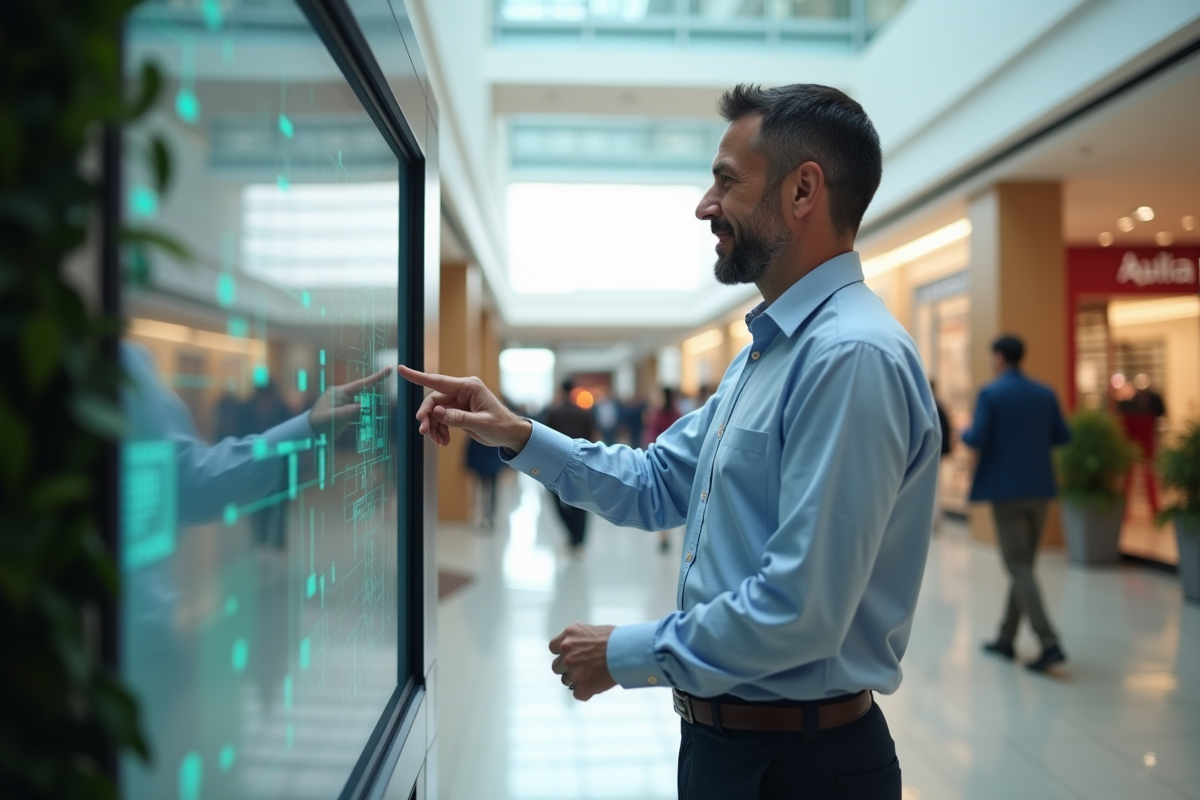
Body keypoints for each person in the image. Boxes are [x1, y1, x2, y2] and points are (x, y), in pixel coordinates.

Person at [399, 82, 941, 800]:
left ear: (803, 189)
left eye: (725, 181)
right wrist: (521, 434)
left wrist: (625, 652)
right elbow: (657, 483)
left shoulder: (849, 358)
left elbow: (801, 611)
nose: (705, 205)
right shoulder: (767, 352)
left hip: (801, 766)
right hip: (728, 746)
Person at [962, 334, 1070, 673]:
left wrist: (962, 432)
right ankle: (1006, 639)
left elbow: (977, 437)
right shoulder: (1044, 392)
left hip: (1006, 491)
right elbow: (1062, 436)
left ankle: (1049, 641)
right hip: (1040, 488)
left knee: (1018, 565)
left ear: (997, 358)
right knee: (1022, 564)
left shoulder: (991, 393)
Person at [543, 379, 596, 551]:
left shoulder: (554, 412)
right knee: (581, 502)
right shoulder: (583, 413)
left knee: (557, 500)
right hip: (579, 462)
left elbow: (547, 439)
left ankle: (571, 534)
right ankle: (578, 538)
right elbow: (591, 439)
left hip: (556, 464)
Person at [646, 386, 683, 553]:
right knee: (682, 498)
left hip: (661, 461)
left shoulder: (658, 415)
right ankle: (683, 532)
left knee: (662, 499)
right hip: (677, 461)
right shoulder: (678, 414)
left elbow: (652, 437)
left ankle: (664, 537)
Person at [465, 436, 505, 530]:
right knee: (485, 491)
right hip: (487, 464)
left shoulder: (479, 431)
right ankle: (485, 518)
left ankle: (488, 517)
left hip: (488, 464)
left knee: (489, 491)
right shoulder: (491, 431)